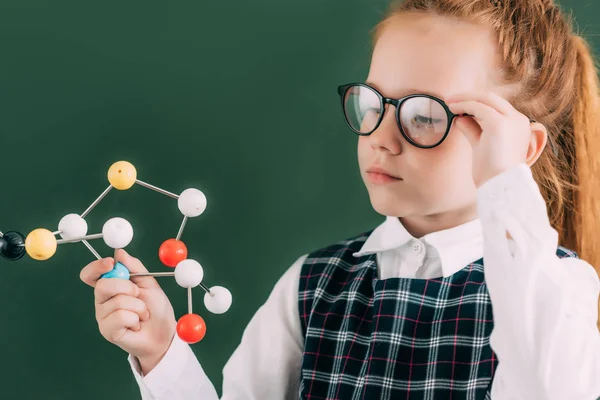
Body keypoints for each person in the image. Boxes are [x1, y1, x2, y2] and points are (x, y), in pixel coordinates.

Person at [79, 0, 600, 398]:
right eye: (373, 102)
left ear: (519, 146)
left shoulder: (553, 290)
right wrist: (162, 352)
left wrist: (506, 186)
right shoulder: (314, 284)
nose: (380, 136)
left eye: (425, 115)